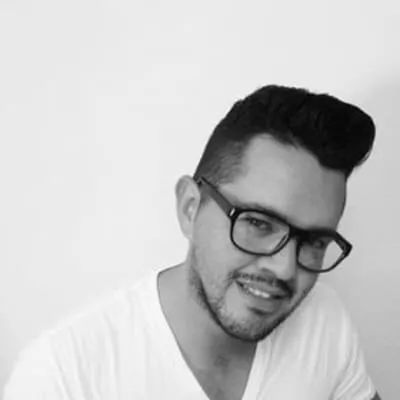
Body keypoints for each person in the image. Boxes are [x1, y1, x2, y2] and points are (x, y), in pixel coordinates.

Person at [4, 85, 381, 399]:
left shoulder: (325, 321)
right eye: (258, 223)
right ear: (190, 207)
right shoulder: (62, 376)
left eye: (315, 241)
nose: (285, 268)